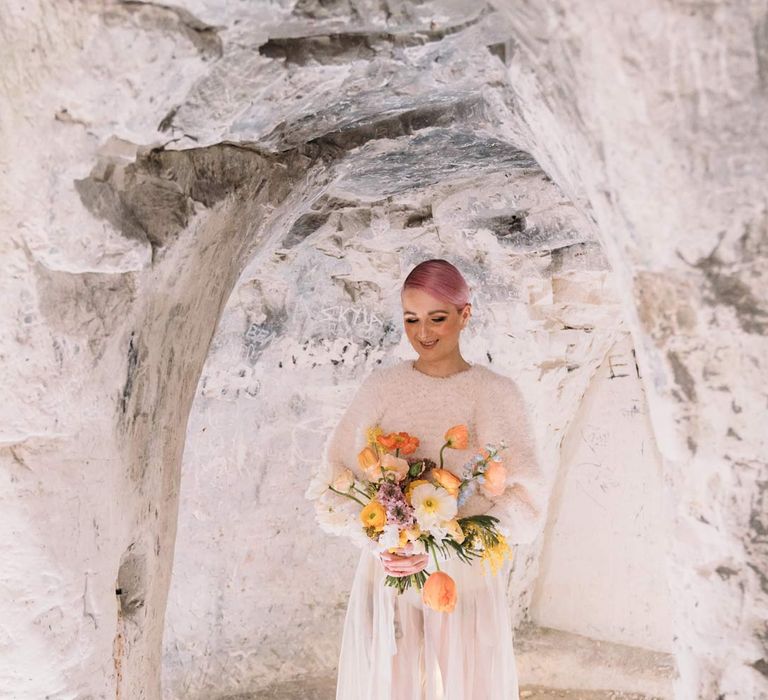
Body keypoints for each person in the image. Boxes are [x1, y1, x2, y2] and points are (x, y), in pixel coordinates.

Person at [306, 258, 548, 699]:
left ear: (465, 315)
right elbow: (336, 478)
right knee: (391, 686)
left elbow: (525, 499)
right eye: (411, 319)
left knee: (469, 687)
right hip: (391, 571)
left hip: (465, 578)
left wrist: (451, 539)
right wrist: (385, 540)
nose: (423, 333)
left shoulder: (494, 393)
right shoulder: (383, 387)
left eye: (437, 318)